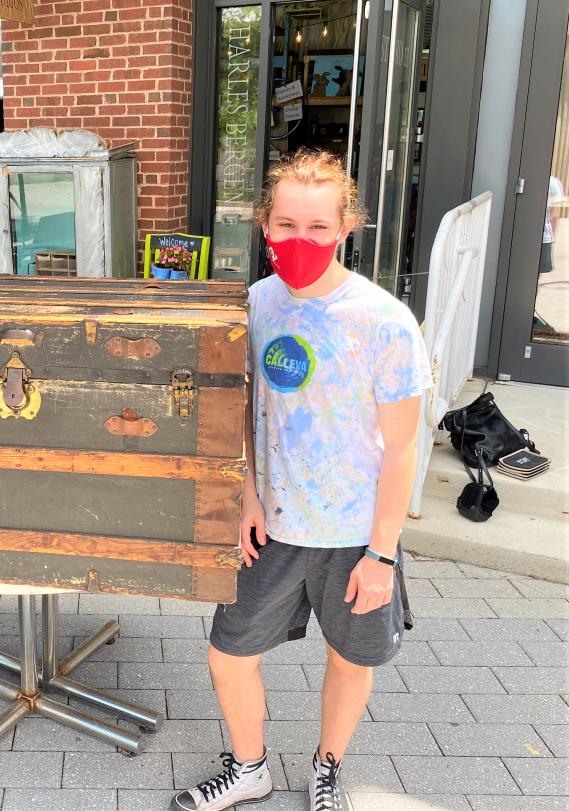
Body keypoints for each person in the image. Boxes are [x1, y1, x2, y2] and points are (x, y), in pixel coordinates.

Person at [172, 149, 431, 811]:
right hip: (274, 526)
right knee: (228, 653)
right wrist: (247, 495)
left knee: (350, 659)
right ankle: (249, 766)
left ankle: (327, 765)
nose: (300, 240)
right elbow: (243, 411)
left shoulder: (384, 322)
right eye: (285, 224)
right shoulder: (252, 306)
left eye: (318, 227)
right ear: (263, 225)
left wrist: (382, 551)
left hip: (354, 536)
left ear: (346, 225)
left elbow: (403, 449)